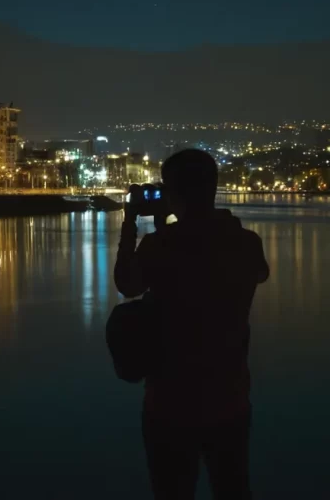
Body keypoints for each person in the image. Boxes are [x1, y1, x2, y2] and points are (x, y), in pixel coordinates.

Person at [114, 149, 269, 500]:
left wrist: (130, 222)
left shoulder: (160, 246)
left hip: (169, 403)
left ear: (172, 193)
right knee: (233, 489)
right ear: (213, 187)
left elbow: (128, 284)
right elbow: (258, 272)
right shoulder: (246, 243)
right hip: (229, 399)